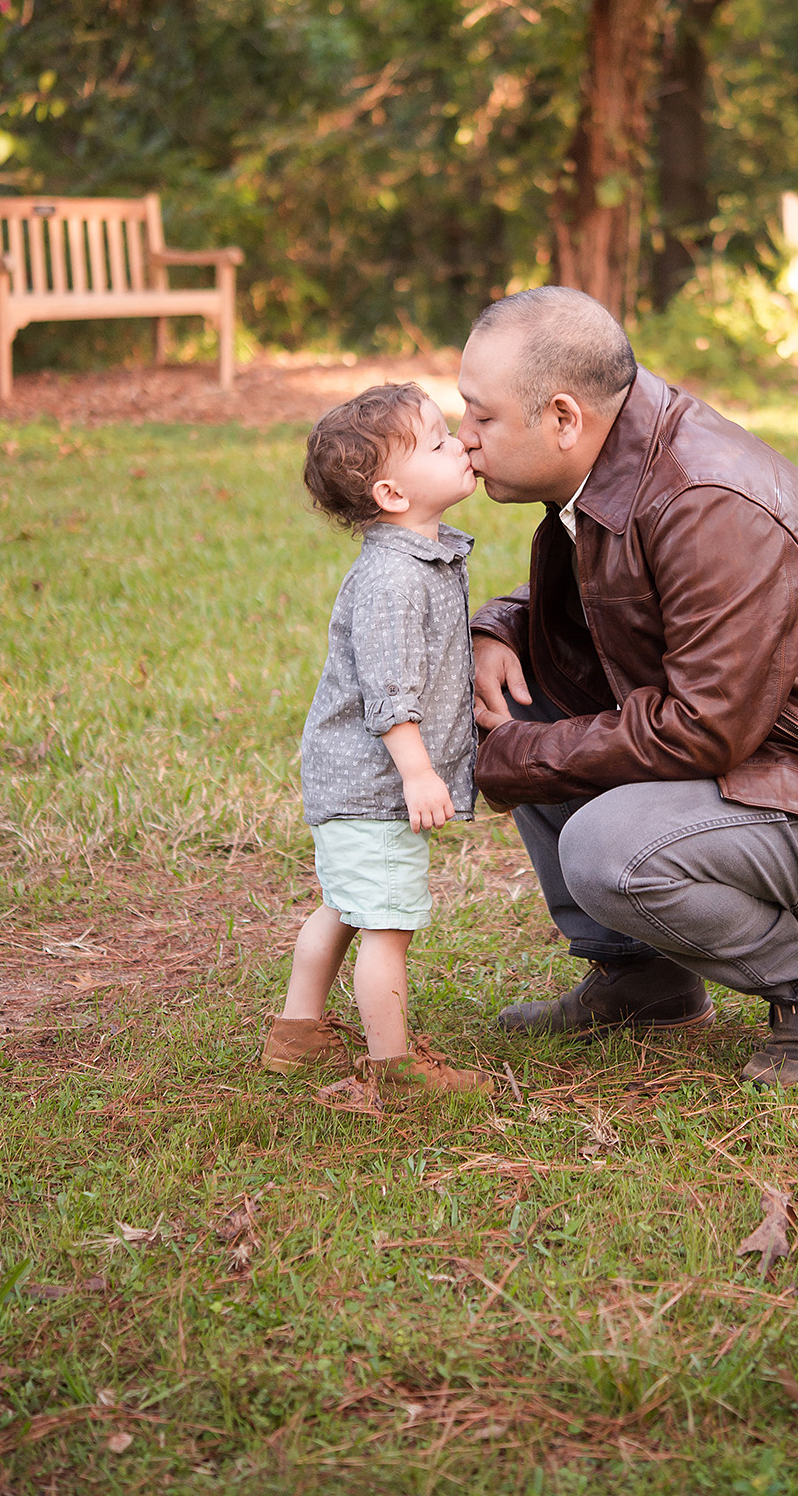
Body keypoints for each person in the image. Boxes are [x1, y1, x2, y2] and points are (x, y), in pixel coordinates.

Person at [457, 286, 798, 1088]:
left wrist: (515, 757)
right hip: (761, 759)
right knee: (519, 709)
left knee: (604, 847)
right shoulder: (615, 458)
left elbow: (702, 727)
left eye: (479, 417)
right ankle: (644, 978)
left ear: (562, 418)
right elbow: (616, 597)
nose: (464, 439)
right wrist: (500, 627)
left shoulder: (706, 498)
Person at [260, 383, 491, 1105]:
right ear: (392, 492)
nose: (460, 443)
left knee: (346, 906)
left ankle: (295, 1035)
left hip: (351, 784)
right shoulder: (394, 575)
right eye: (437, 440)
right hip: (376, 785)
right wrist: (420, 773)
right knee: (386, 927)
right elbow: (390, 688)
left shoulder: (417, 556)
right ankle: (397, 1073)